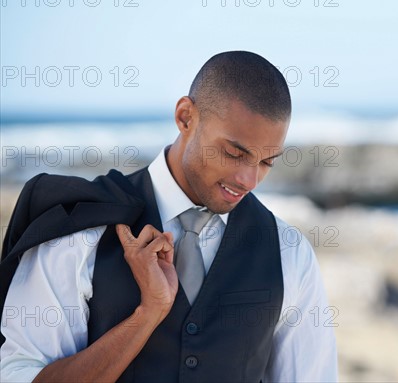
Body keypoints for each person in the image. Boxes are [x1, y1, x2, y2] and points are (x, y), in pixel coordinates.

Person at [0, 51, 338, 382]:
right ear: (185, 117)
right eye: (235, 153)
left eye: (267, 162)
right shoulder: (81, 229)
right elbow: (21, 375)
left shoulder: (288, 253)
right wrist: (147, 316)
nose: (248, 181)